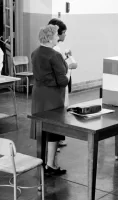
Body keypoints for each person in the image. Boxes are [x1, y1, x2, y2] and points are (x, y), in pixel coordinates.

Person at [30, 24, 70, 175]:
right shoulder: (54, 55)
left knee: (41, 128)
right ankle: (51, 164)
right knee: (53, 129)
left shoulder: (35, 53)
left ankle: (41, 162)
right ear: (49, 38)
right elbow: (62, 80)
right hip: (52, 96)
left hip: (38, 94)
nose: (57, 38)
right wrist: (66, 78)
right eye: (55, 35)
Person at [48, 18, 77, 150]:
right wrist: (69, 65)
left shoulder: (55, 49)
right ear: (57, 34)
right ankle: (55, 141)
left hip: (57, 84)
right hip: (59, 85)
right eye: (64, 32)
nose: (65, 35)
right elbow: (61, 69)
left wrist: (66, 59)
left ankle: (57, 139)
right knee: (59, 112)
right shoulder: (54, 49)